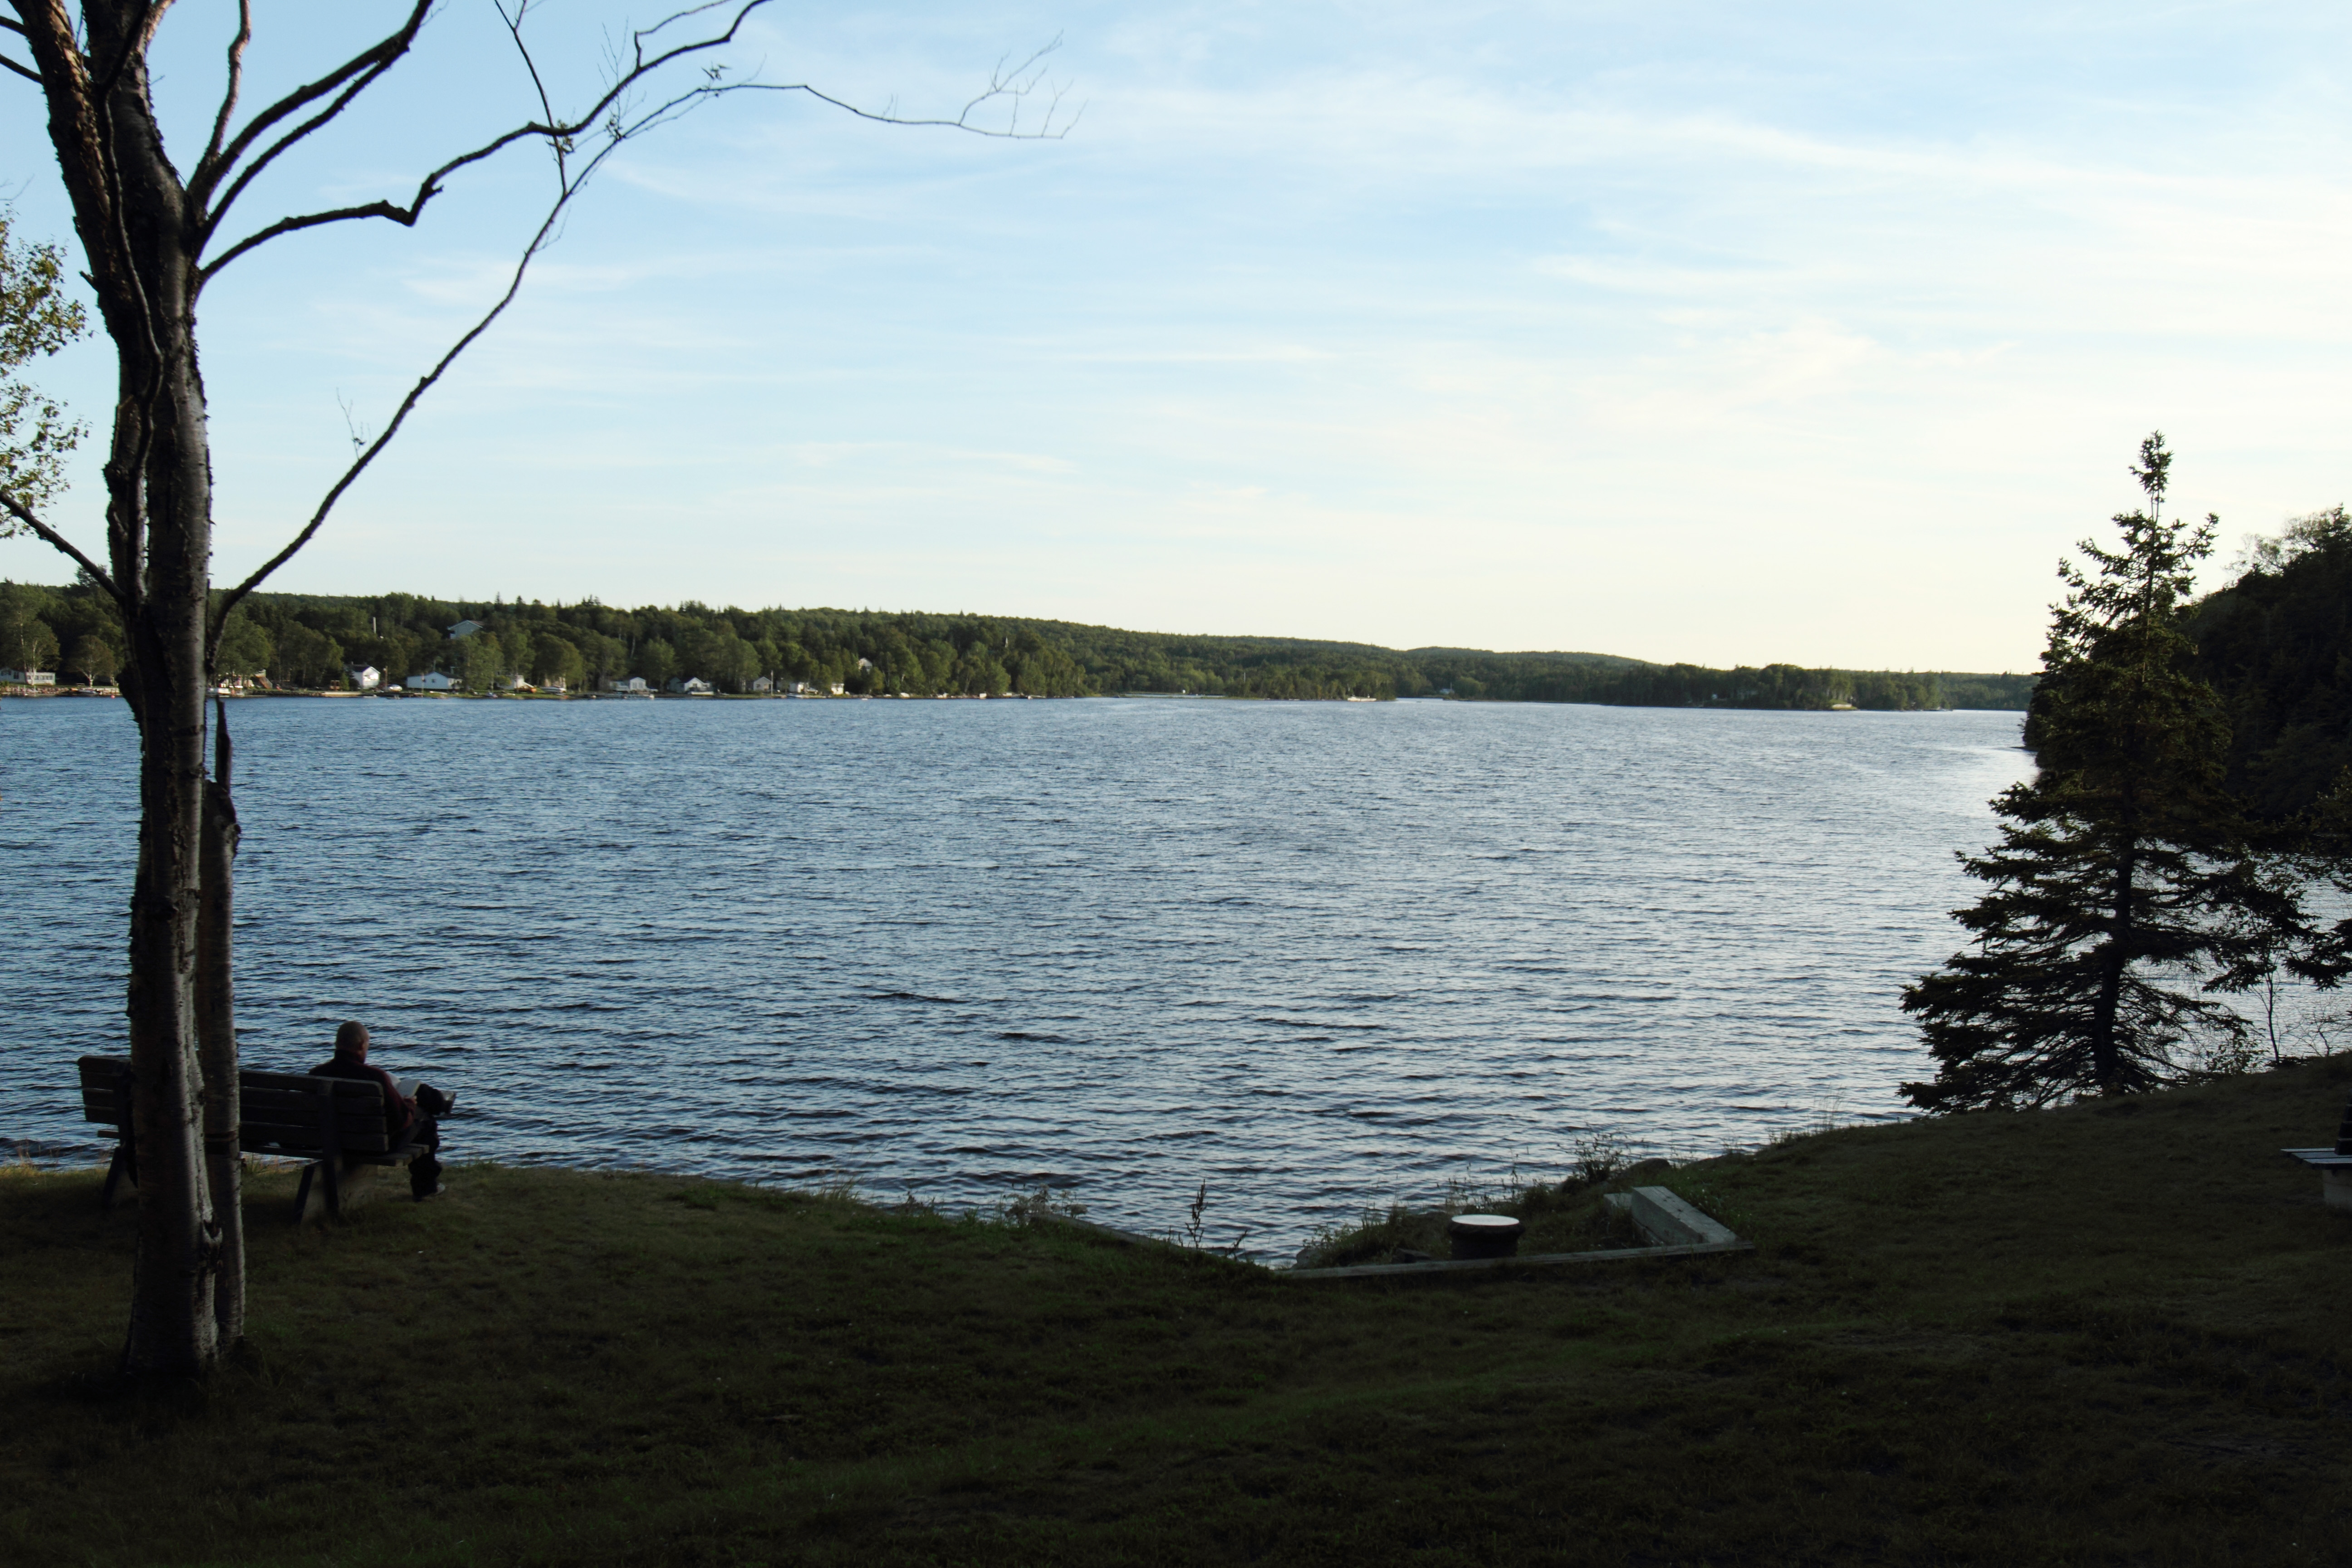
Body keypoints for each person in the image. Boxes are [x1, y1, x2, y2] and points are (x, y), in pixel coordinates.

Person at [311, 1021, 449, 1199]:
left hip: (329, 1142)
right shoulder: (375, 1078)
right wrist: (409, 1107)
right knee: (425, 1120)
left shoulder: (316, 1074)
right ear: (362, 1045)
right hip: (373, 1145)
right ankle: (426, 1188)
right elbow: (400, 1121)